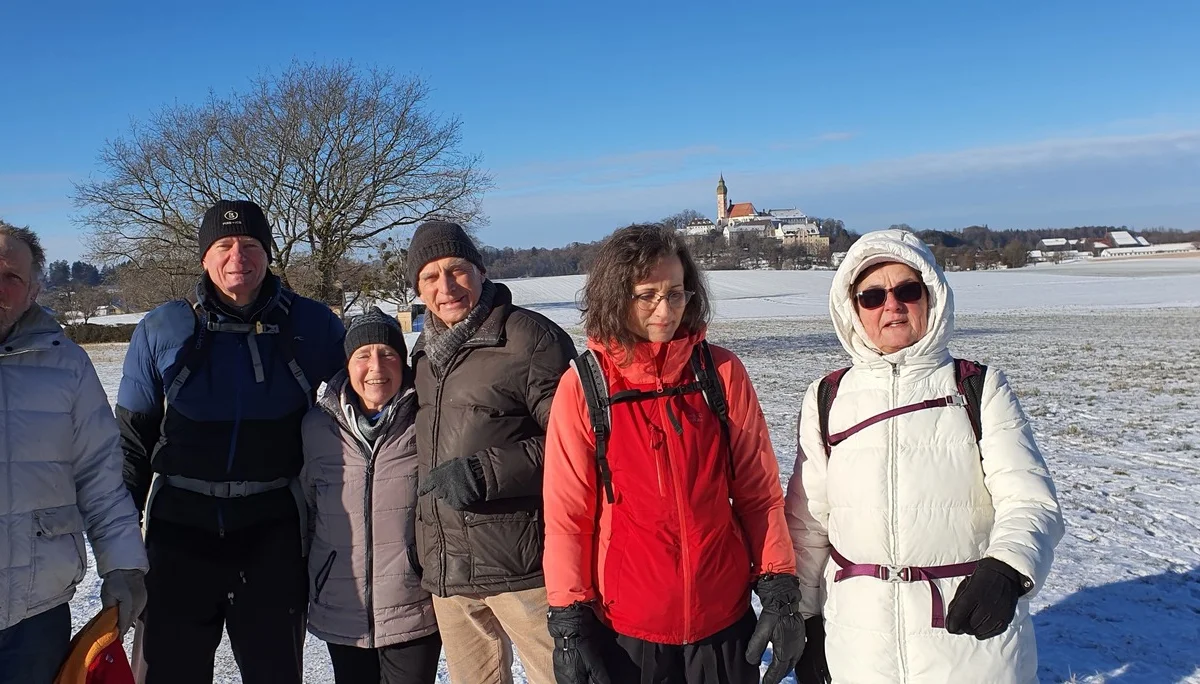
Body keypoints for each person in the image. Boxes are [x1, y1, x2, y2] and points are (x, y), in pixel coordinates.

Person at [784, 229, 1064, 684]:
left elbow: (1030, 501)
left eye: (907, 290)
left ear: (930, 296)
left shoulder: (977, 387)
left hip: (968, 638)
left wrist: (1007, 570)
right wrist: (807, 621)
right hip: (859, 644)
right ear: (853, 310)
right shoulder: (827, 397)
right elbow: (808, 525)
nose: (891, 305)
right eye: (872, 296)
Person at [542, 224, 806, 684]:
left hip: (722, 621)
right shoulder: (584, 388)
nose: (665, 310)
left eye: (676, 293)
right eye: (647, 295)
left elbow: (758, 494)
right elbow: (568, 516)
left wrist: (780, 586)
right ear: (615, 296)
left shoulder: (720, 372)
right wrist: (568, 618)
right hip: (629, 631)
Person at [116, 200, 346, 684]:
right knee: (168, 672)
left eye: (250, 244)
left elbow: (370, 399)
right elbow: (131, 445)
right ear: (204, 257)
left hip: (274, 529)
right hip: (180, 527)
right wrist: (119, 551)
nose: (237, 255)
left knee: (274, 672)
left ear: (267, 254)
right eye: (223, 245)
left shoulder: (312, 325)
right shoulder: (162, 328)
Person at [406, 220, 576, 684]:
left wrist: (485, 473)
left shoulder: (531, 339)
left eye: (457, 270)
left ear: (481, 271)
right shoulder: (424, 356)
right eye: (430, 277)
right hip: (450, 568)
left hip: (522, 566)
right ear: (418, 289)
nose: (446, 287)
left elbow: (577, 442)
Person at [0, 224, 148, 684]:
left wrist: (124, 565)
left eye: (11, 276)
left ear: (34, 290)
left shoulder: (67, 365)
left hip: (34, 614)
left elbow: (100, 477)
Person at [301, 308, 441, 684]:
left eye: (388, 354)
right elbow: (308, 508)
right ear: (347, 365)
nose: (376, 366)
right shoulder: (317, 427)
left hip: (415, 606)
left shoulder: (427, 420)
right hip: (341, 604)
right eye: (362, 355)